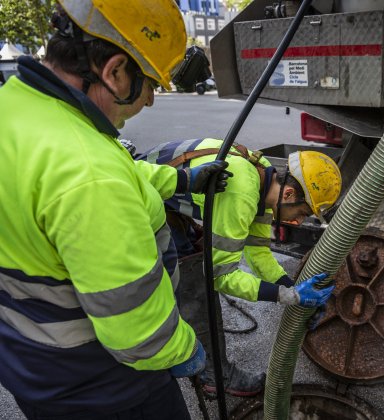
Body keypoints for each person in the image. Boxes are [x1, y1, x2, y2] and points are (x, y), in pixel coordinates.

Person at [0, 1, 229, 419]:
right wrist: (182, 348)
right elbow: (137, 332)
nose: (151, 101)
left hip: (30, 359)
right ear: (115, 71)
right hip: (103, 385)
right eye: (150, 85)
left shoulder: (17, 108)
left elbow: (114, 174)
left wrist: (180, 180)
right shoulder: (88, 172)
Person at [137, 138, 341, 396]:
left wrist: (292, 287)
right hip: (138, 196)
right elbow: (221, 276)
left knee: (195, 257)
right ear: (288, 194)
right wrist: (287, 296)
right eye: (302, 212)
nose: (299, 221)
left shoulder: (263, 175)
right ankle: (214, 375)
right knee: (193, 276)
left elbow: (258, 253)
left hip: (165, 197)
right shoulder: (242, 190)